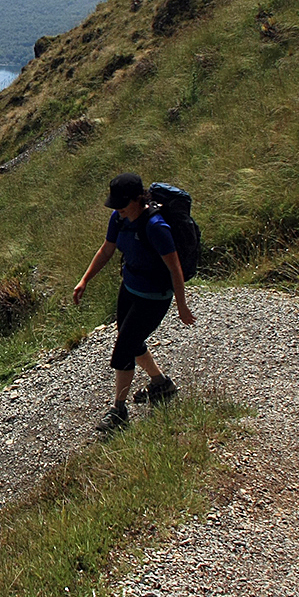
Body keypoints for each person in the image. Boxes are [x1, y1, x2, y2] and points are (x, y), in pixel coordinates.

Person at [73, 172, 196, 432]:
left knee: (123, 350)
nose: (117, 210)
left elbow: (175, 269)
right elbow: (106, 250)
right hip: (129, 288)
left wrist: (181, 305)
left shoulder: (156, 227)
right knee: (129, 338)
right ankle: (161, 384)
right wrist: (85, 280)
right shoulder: (120, 219)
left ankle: (119, 410)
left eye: (121, 204)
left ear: (138, 200)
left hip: (153, 297)